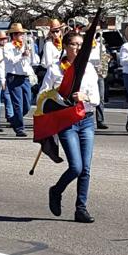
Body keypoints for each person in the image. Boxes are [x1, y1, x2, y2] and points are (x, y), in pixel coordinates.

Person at [45, 30, 101, 223]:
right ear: (65, 47)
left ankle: (81, 208)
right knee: (76, 167)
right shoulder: (55, 69)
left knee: (86, 168)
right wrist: (62, 95)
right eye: (74, 44)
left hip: (86, 119)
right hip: (66, 121)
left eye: (80, 45)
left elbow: (96, 99)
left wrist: (85, 97)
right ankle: (56, 190)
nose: (77, 48)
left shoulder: (89, 69)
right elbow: (43, 95)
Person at [4, 24, 38, 137]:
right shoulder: (8, 46)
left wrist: (30, 51)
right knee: (17, 104)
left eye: (23, 34)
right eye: (20, 34)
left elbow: (32, 61)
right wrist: (21, 55)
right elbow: (9, 60)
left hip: (25, 77)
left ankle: (14, 120)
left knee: (27, 104)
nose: (22, 36)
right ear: (14, 35)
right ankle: (19, 128)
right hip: (14, 77)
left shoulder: (25, 45)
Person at [88, 26, 110, 129]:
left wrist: (106, 59)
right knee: (88, 97)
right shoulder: (84, 44)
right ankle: (88, 120)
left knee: (100, 97)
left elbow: (104, 56)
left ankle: (100, 120)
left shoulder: (100, 45)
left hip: (99, 73)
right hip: (88, 73)